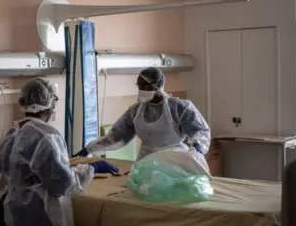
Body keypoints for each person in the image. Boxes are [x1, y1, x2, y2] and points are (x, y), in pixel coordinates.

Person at [0, 77, 119, 226]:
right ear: (49, 105)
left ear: (23, 102)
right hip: (35, 216)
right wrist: (91, 168)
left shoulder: (13, 133)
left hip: (9, 209)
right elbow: (63, 184)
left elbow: (12, 168)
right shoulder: (45, 135)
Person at [74, 67, 211, 160]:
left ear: (157, 85)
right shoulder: (135, 111)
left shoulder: (179, 108)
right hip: (146, 160)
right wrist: (90, 148)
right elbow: (116, 136)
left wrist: (198, 146)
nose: (142, 90)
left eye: (145, 86)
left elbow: (200, 131)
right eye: (139, 86)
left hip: (174, 159)